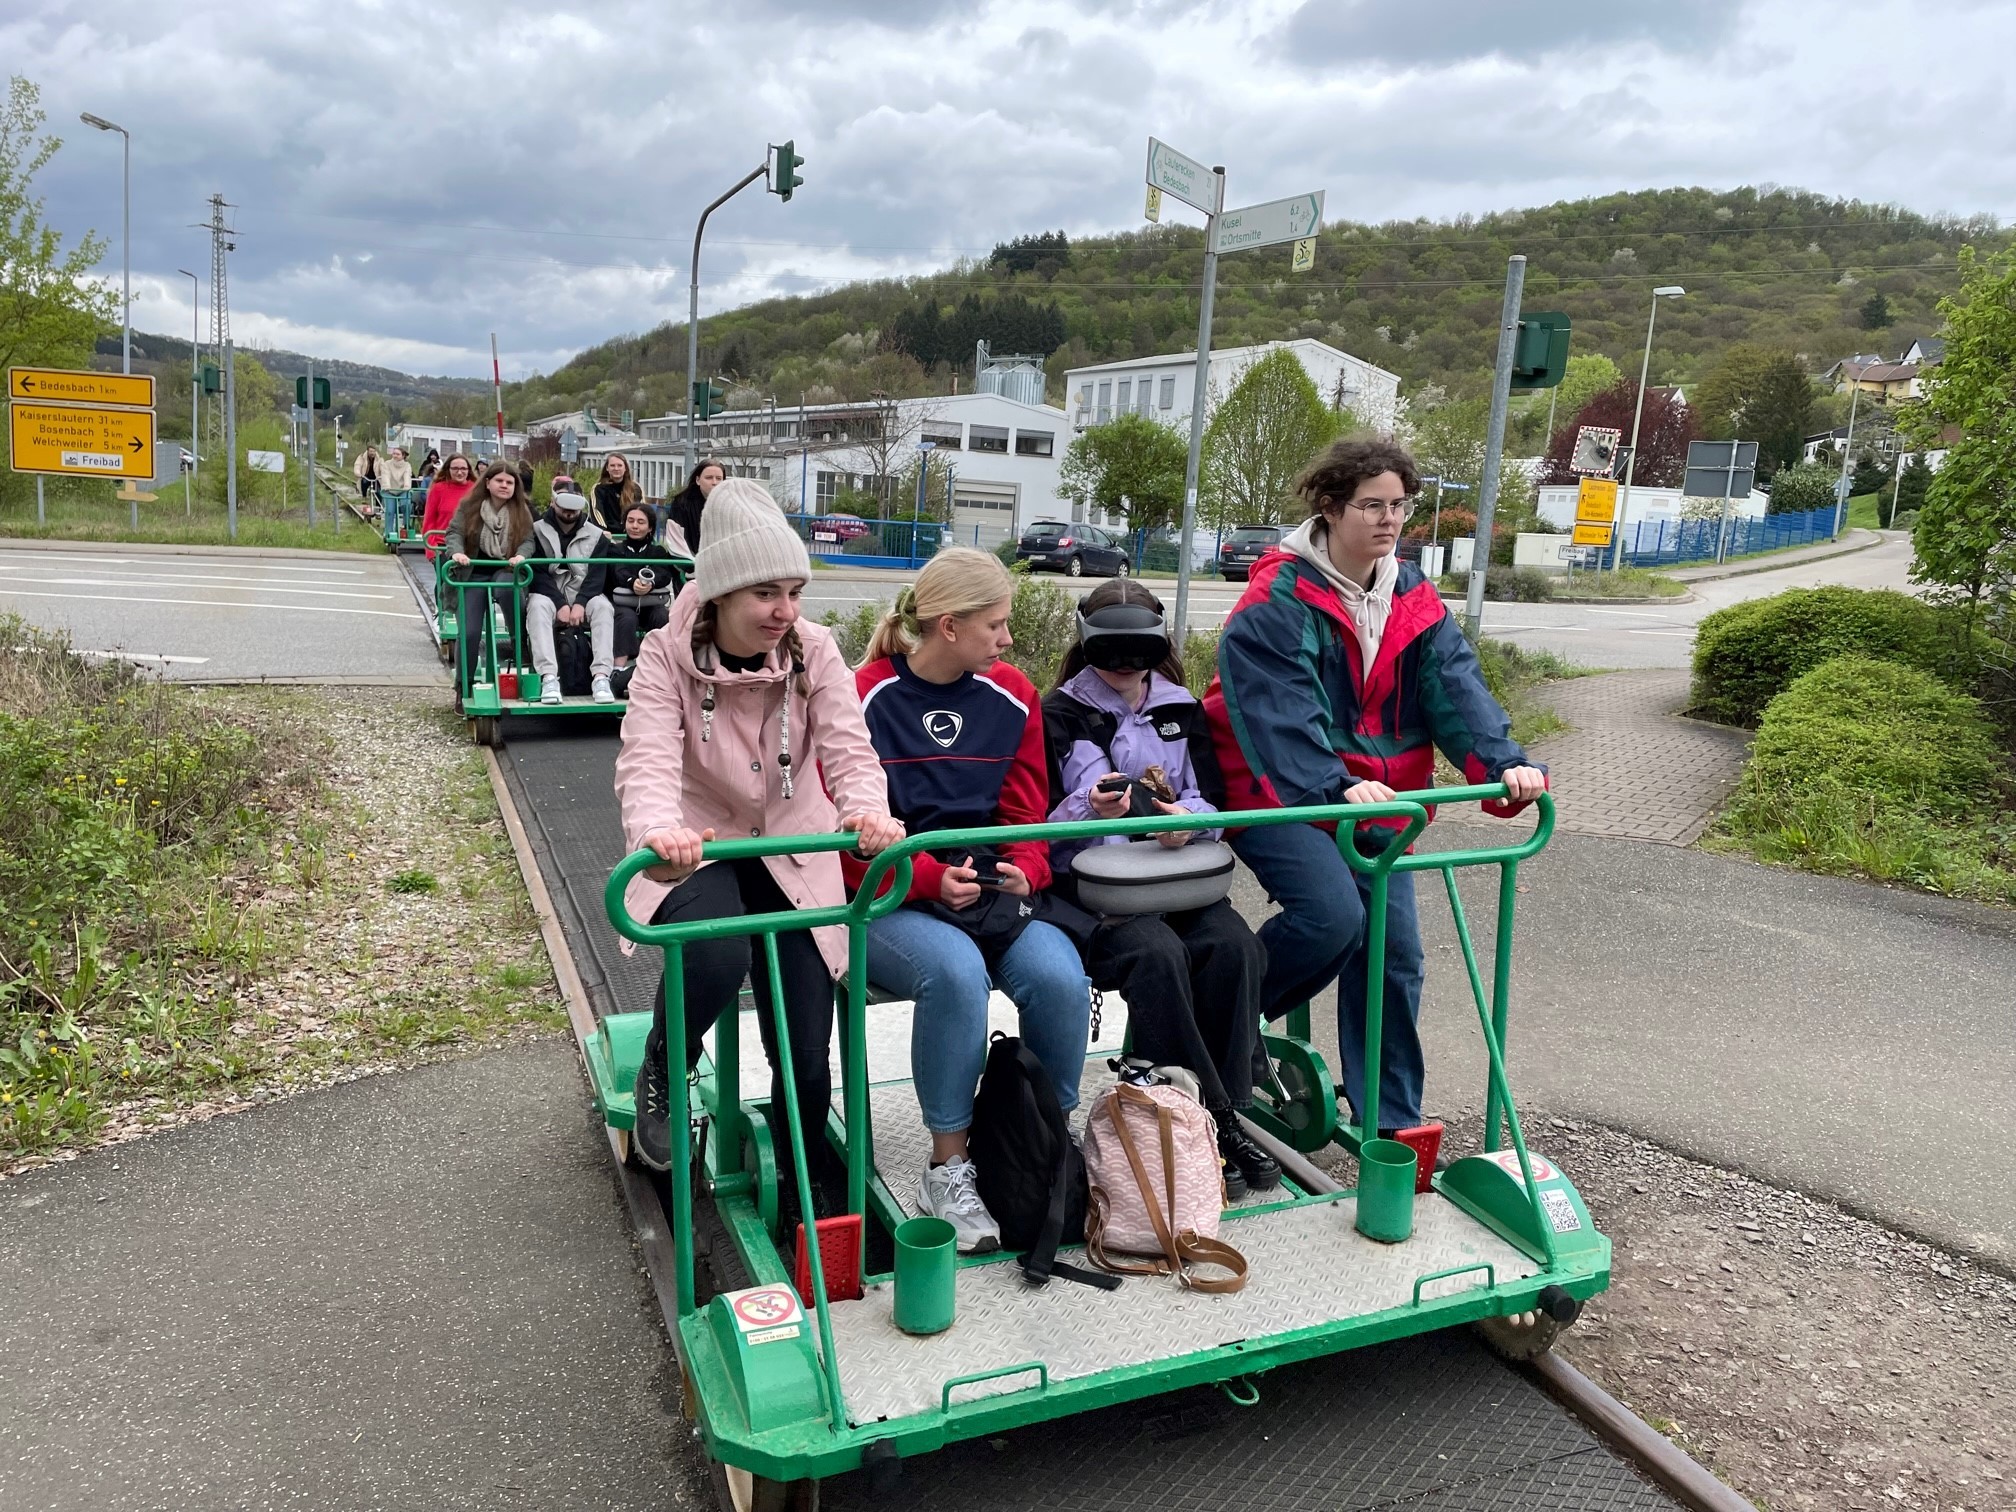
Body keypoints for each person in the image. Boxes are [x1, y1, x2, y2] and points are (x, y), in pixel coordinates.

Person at [1204, 437, 1548, 1139]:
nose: (1389, 519)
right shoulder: (1278, 598)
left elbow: (1456, 688)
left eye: (1399, 505)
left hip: (1374, 801)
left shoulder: (1411, 595)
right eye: (1371, 505)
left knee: (1394, 956)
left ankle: (1390, 1121)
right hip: (1277, 788)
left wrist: (1502, 765)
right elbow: (1279, 715)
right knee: (1332, 918)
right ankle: (1205, 1027)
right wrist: (1334, 785)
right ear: (1330, 509)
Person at [614, 478, 902, 1189]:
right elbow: (647, 755)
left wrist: (866, 809)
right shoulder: (664, 656)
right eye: (767, 593)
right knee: (717, 954)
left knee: (807, 1035)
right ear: (721, 592)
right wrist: (658, 831)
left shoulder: (814, 650)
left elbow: (848, 746)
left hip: (791, 836)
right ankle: (666, 1061)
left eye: (795, 591)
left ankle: (808, 1171)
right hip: (698, 836)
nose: (786, 611)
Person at [851, 548, 1093, 1254]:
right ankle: (947, 1167)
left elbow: (1027, 813)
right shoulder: (865, 694)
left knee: (1059, 978)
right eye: (998, 625)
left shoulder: (1012, 692)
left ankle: (1047, 1139)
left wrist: (1025, 866)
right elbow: (841, 832)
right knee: (954, 975)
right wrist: (925, 876)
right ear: (949, 627)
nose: (1009, 639)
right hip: (895, 892)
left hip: (990, 891)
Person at [1042, 580, 1279, 1199]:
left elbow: (1211, 800)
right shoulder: (1060, 714)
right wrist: (1090, 810)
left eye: (1138, 654)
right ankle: (1219, 1120)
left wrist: (1188, 823)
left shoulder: (1182, 710)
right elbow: (1039, 823)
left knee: (1236, 948)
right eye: (1109, 653)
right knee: (1158, 956)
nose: (1124, 668)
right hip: (1096, 891)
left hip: (1176, 880)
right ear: (1086, 645)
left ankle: (1210, 1110)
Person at [442, 461, 536, 695]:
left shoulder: (521, 510)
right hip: (474, 570)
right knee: (470, 630)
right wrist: (457, 552)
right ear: (487, 483)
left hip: (504, 569)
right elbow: (454, 533)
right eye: (500, 481)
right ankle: (464, 685)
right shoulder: (470, 507)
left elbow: (528, 540)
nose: (505, 486)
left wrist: (521, 556)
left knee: (508, 589)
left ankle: (519, 642)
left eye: (510, 482)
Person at [525, 476, 618, 703]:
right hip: (549, 594)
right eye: (563, 506)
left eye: (573, 507)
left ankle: (601, 676)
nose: (568, 512)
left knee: (604, 608)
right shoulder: (535, 531)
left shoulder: (596, 535)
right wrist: (560, 604)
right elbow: (537, 573)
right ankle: (548, 677)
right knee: (536, 607)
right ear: (553, 503)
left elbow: (597, 575)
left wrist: (581, 603)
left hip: (583, 595)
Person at [583, 501, 680, 668]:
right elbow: (616, 572)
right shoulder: (615, 550)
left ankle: (661, 665)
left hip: (650, 603)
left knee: (662, 616)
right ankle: (618, 668)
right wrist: (631, 582)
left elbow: (664, 574)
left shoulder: (657, 552)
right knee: (626, 618)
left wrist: (651, 582)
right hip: (623, 603)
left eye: (641, 522)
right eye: (630, 521)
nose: (635, 526)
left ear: (650, 528)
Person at [663, 458, 725, 556]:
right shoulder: (682, 504)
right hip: (691, 564)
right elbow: (678, 540)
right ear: (697, 480)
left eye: (719, 478)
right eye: (709, 478)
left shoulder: (729, 505)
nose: (714, 482)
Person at [421, 452, 476, 560]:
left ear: (468, 470)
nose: (459, 472)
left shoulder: (476, 489)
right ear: (448, 470)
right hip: (443, 546)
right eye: (455, 468)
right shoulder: (438, 489)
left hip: (469, 547)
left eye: (463, 469)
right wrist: (432, 552)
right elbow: (429, 521)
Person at [592, 453, 644, 536]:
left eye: (620, 465)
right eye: (612, 465)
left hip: (630, 536)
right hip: (608, 536)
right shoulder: (599, 489)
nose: (616, 468)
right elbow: (597, 511)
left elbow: (642, 512)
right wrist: (602, 530)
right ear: (607, 468)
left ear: (625, 468)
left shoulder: (636, 488)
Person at [378, 446, 415, 535]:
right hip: (390, 491)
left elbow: (407, 476)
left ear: (403, 456)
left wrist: (406, 486)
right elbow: (386, 475)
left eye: (398, 454)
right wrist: (387, 486)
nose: (395, 456)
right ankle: (388, 532)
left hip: (403, 490)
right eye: (394, 453)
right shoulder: (387, 464)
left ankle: (405, 526)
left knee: (406, 506)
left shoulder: (407, 465)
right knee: (390, 511)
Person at [353, 445, 381, 513]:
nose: (372, 453)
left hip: (376, 478)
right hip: (365, 476)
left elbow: (383, 467)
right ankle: (364, 496)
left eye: (374, 451)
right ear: (368, 451)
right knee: (364, 482)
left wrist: (383, 475)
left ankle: (379, 508)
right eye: (371, 451)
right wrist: (358, 473)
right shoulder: (362, 457)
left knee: (378, 492)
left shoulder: (379, 459)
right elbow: (357, 465)